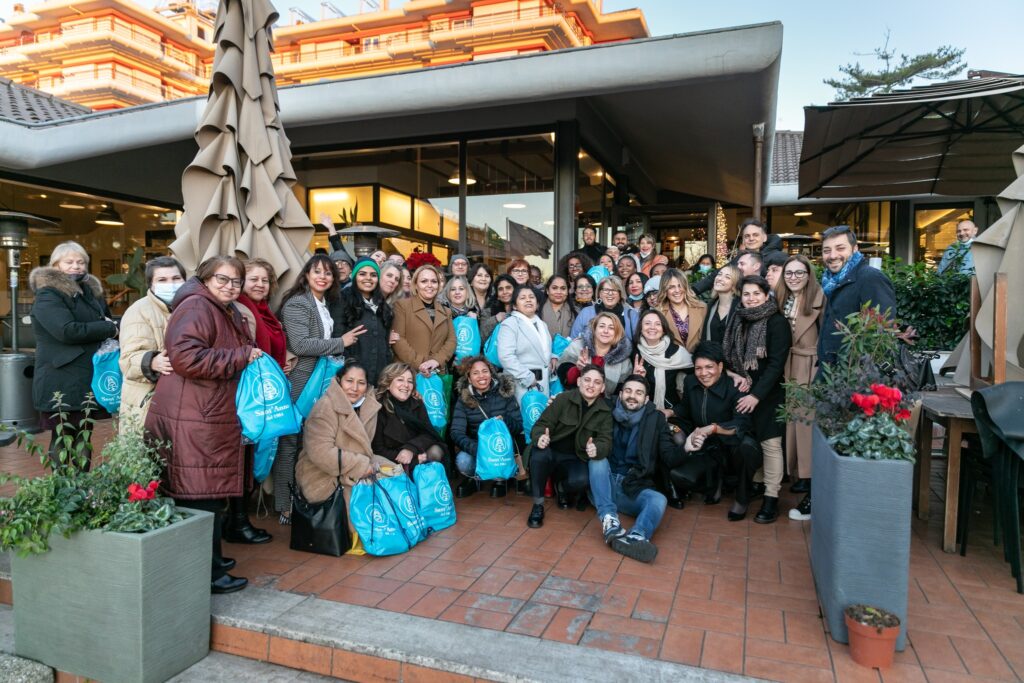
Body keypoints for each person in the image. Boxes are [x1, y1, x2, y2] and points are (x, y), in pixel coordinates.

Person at [145, 255, 259, 594]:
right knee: (201, 497)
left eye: (236, 282)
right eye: (222, 280)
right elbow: (185, 358)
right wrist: (241, 356)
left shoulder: (220, 308)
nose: (230, 286)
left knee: (206, 495)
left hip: (203, 413)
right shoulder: (197, 307)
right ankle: (207, 574)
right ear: (206, 279)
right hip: (194, 417)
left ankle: (212, 560)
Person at [274, 255, 366, 523]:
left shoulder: (323, 304)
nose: (323, 277)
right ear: (306, 275)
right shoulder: (297, 303)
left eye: (328, 273)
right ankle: (284, 506)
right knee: (289, 444)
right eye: (317, 272)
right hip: (300, 383)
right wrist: (342, 342)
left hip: (318, 382)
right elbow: (301, 345)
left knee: (309, 442)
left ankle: (304, 497)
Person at [30, 241, 118, 469]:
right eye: (69, 262)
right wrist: (110, 328)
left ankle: (82, 491)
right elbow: (67, 331)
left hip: (85, 375)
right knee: (62, 436)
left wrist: (110, 327)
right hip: (60, 378)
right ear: (55, 265)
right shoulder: (48, 295)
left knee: (84, 436)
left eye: (81, 262)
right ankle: (61, 491)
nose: (76, 267)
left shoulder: (91, 293)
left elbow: (104, 319)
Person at [723, 276, 791, 524]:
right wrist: (733, 375)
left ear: (766, 295)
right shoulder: (739, 319)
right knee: (750, 441)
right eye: (746, 294)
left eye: (756, 293)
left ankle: (771, 498)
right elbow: (729, 356)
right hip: (743, 390)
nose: (750, 298)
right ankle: (756, 484)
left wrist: (756, 395)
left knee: (770, 444)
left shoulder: (776, 322)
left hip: (768, 392)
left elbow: (776, 365)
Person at [296, 360, 396, 524]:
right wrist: (360, 467)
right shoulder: (324, 408)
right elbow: (321, 453)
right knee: (362, 516)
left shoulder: (367, 405)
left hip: (355, 465)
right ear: (339, 381)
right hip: (323, 474)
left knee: (396, 475)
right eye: (349, 381)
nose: (354, 388)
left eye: (361, 383)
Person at [588, 375, 673, 563]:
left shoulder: (655, 419)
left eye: (638, 392)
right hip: (603, 484)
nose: (632, 396)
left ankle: (636, 537)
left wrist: (687, 447)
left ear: (646, 399)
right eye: (628, 391)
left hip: (631, 486)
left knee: (658, 499)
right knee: (597, 458)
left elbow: (669, 455)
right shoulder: (605, 410)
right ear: (620, 394)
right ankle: (610, 521)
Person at [670, 341, 759, 518]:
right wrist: (668, 413)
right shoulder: (690, 382)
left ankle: (742, 498)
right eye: (698, 368)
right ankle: (714, 483)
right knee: (679, 466)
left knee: (747, 447)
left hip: (730, 443)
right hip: (706, 445)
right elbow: (685, 409)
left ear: (720, 366)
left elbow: (741, 424)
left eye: (709, 367)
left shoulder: (735, 387)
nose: (703, 373)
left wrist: (713, 429)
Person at [527, 364, 612, 528]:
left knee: (582, 480)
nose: (591, 385)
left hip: (575, 457)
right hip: (552, 450)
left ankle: (562, 488)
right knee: (539, 454)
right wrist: (540, 437)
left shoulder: (604, 411)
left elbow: (605, 439)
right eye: (587, 380)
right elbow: (540, 425)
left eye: (596, 382)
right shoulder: (562, 399)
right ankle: (538, 505)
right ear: (579, 381)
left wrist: (597, 448)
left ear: (602, 388)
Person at [775, 255, 824, 521]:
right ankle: (801, 477)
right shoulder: (781, 299)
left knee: (806, 428)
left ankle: (813, 489)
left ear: (809, 274)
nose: (793, 277)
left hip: (809, 366)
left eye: (799, 272)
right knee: (791, 426)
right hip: (788, 366)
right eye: (789, 273)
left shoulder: (820, 298)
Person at [118, 256, 185, 425]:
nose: (171, 284)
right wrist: (151, 361)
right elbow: (127, 361)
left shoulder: (192, 307)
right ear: (151, 284)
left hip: (182, 402)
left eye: (176, 278)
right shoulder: (139, 311)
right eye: (162, 280)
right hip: (148, 405)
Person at [818, 225, 896, 366]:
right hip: (832, 369)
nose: (833, 255)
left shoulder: (870, 278)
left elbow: (882, 331)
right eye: (826, 250)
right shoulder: (831, 282)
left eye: (840, 248)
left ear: (855, 249)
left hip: (855, 374)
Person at [449, 356, 524, 498]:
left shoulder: (504, 394)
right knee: (463, 461)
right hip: (478, 447)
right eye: (475, 373)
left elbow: (519, 425)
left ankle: (501, 479)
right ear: (469, 378)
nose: (481, 376)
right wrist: (477, 449)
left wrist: (505, 421)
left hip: (502, 449)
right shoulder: (464, 400)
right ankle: (476, 478)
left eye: (485, 371)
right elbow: (456, 432)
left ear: (491, 373)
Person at [371, 362, 446, 475]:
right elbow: (378, 449)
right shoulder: (378, 407)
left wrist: (411, 449)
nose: (406, 385)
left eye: (410, 381)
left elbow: (429, 434)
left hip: (415, 453)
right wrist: (413, 460)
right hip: (391, 462)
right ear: (387, 383)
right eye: (400, 380)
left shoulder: (416, 403)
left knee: (436, 451)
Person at [334, 258, 394, 385]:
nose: (368, 278)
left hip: (379, 377)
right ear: (354, 276)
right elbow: (336, 339)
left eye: (373, 275)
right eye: (362, 274)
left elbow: (385, 345)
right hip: (352, 378)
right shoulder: (341, 301)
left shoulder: (384, 306)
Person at [391, 264, 456, 376]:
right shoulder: (402, 306)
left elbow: (451, 341)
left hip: (436, 373)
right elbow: (398, 340)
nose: (429, 285)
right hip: (408, 374)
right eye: (424, 281)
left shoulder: (446, 311)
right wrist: (422, 363)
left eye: (434, 281)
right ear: (415, 285)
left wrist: (436, 361)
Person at [692, 218, 782, 295]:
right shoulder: (740, 259)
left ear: (765, 237)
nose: (751, 238)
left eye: (755, 235)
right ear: (743, 240)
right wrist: (693, 291)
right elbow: (715, 275)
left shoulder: (777, 257)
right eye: (747, 236)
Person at [632, 308, 691, 419]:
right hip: (641, 412)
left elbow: (698, 371)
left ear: (663, 329)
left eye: (657, 324)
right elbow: (627, 387)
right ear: (640, 328)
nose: (652, 327)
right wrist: (636, 378)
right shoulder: (634, 352)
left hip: (672, 413)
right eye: (647, 323)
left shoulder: (676, 352)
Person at [498, 285, 553, 401]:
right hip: (522, 384)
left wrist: (553, 357)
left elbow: (543, 351)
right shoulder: (510, 324)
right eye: (522, 298)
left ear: (537, 304)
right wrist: (527, 377)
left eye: (531, 297)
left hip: (543, 384)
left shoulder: (542, 324)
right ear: (514, 305)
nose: (528, 300)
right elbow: (506, 356)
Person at [558, 312, 632, 396]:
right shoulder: (577, 346)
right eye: (601, 326)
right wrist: (577, 369)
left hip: (605, 406)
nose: (606, 331)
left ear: (617, 333)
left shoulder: (623, 360)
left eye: (611, 328)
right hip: (574, 401)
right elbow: (563, 377)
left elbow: (620, 393)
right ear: (594, 329)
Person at [236, 258, 287, 369]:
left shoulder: (266, 310)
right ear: (241, 282)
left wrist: (286, 360)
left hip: (274, 376)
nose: (260, 284)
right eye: (254, 279)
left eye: (265, 280)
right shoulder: (237, 310)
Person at [570, 275, 639, 341]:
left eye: (614, 290)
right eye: (606, 290)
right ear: (600, 293)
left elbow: (638, 342)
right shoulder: (586, 313)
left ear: (620, 294)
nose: (610, 293)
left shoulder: (631, 315)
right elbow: (573, 340)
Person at [655, 268, 707, 353]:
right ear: (665, 290)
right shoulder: (658, 312)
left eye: (680, 285)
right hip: (672, 363)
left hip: (698, 362)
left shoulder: (702, 308)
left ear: (686, 286)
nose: (677, 290)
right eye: (671, 287)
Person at [701, 265, 741, 344]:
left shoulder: (740, 308)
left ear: (734, 284)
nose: (719, 278)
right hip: (711, 354)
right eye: (719, 274)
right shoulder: (710, 306)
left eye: (727, 277)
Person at [481, 273, 516, 343]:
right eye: (500, 289)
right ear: (497, 295)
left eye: (508, 288)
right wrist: (495, 319)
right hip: (493, 352)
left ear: (515, 290)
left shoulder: (522, 310)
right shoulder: (488, 311)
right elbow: (481, 338)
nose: (505, 292)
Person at [540, 274, 574, 339]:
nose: (559, 292)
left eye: (563, 288)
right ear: (547, 290)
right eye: (554, 288)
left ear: (567, 291)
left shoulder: (575, 312)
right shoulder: (537, 311)